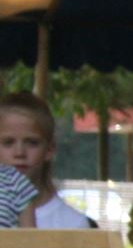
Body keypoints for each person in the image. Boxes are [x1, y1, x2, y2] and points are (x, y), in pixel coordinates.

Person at [0, 92, 93, 229]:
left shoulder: (74, 224)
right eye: (8, 142)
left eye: (32, 143)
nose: (19, 152)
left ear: (49, 150)